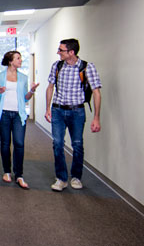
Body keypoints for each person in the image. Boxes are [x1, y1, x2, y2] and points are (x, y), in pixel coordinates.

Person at [44, 38, 102, 192]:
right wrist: (47, 108)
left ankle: (76, 177)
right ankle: (61, 178)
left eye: (61, 50)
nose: (58, 52)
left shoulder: (87, 67)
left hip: (77, 111)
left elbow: (96, 92)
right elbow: (50, 87)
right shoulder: (57, 66)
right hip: (57, 110)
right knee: (57, 143)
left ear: (71, 52)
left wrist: (96, 117)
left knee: (77, 144)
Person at [0, 50, 39, 189]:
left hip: (19, 115)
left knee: (19, 144)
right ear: (10, 61)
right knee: (5, 143)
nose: (20, 60)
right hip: (4, 114)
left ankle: (19, 174)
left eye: (20, 58)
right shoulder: (0, 76)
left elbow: (25, 98)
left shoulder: (23, 78)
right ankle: (6, 171)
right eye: (18, 58)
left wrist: (31, 91)